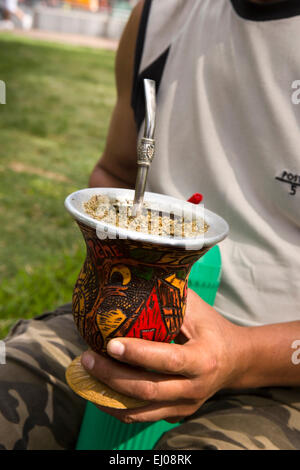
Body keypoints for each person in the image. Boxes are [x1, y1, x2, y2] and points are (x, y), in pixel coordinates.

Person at [1, 0, 300, 450]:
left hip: (279, 377)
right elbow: (117, 176)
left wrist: (240, 357)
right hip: (109, 330)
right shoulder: (159, 13)